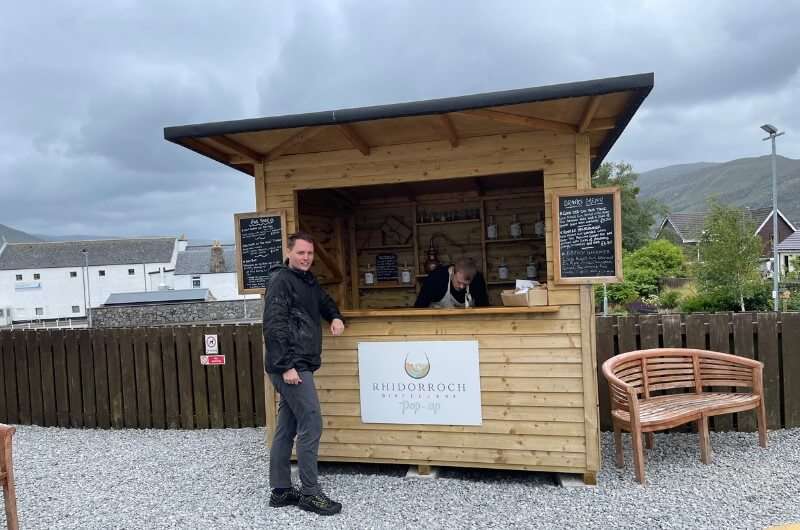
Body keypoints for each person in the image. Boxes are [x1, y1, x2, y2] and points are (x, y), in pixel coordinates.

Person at [263, 232, 345, 516]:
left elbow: (324, 301)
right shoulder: (281, 281)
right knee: (312, 422)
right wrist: (286, 366)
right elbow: (274, 326)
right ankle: (310, 493)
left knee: (287, 426)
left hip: (303, 363)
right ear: (289, 252)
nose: (306, 258)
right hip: (291, 364)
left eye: (309, 253)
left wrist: (335, 316)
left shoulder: (308, 280)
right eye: (301, 253)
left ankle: (281, 490)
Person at [414, 257, 489, 308]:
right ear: (453, 272)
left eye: (466, 284)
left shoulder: (477, 280)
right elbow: (418, 308)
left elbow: (484, 308)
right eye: (459, 282)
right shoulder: (435, 278)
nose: (462, 287)